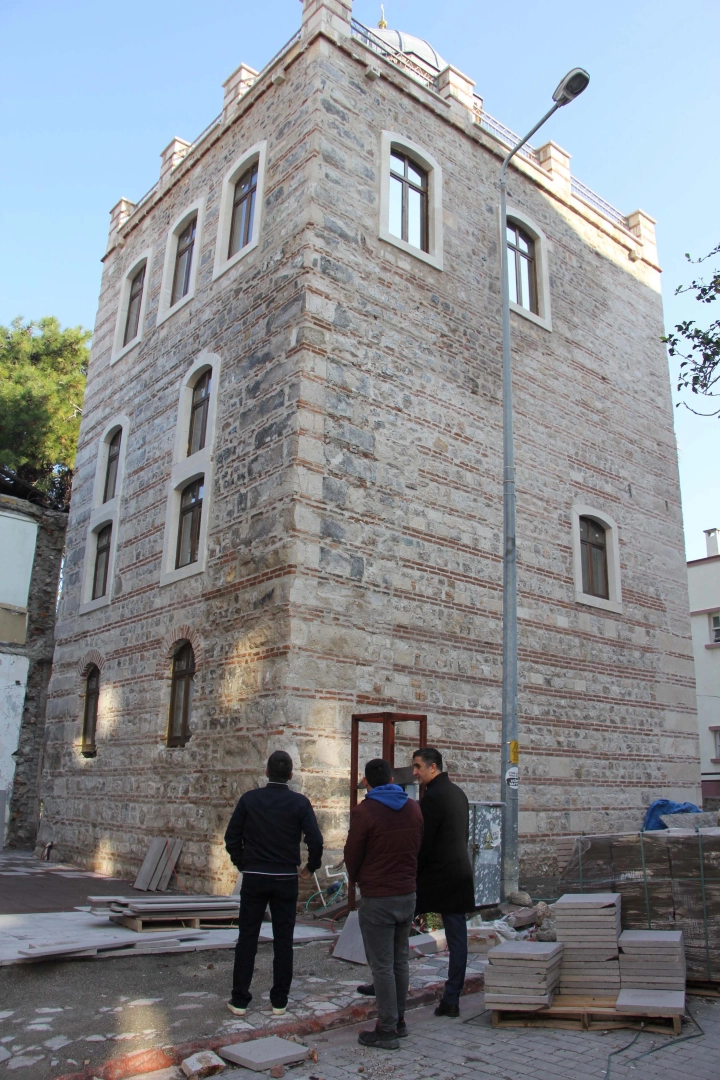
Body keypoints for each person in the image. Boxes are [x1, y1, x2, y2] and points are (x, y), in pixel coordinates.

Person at [224, 750, 323, 1017]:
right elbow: (315, 840)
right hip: (285, 878)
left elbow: (231, 837)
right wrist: (311, 867)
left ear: (266, 772)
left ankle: (240, 1000)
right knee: (283, 940)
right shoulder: (300, 803)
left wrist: (242, 863)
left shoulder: (249, 799)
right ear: (290, 775)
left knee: (247, 938)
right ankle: (279, 1000)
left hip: (255, 876)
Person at [343, 758, 424, 1050]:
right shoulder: (413, 808)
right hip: (407, 893)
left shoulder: (364, 812)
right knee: (400, 960)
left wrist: (358, 879)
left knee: (382, 966)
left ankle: (387, 1029)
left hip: (378, 896)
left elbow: (352, 853)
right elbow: (418, 846)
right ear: (391, 780)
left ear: (366, 782)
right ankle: (399, 1021)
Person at [412, 746, 475, 1018]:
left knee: (396, 927)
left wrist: (412, 871)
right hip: (459, 874)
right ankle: (452, 998)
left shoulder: (433, 798)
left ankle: (386, 987)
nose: (415, 773)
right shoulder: (458, 793)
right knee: (458, 938)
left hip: (436, 877)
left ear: (433, 767)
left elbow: (423, 843)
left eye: (418, 767)